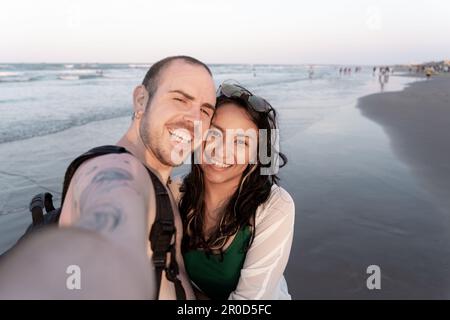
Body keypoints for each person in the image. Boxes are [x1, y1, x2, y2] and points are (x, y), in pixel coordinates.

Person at [0, 56, 217, 299]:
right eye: (180, 99)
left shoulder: (165, 186)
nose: (195, 120)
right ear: (141, 100)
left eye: (205, 110)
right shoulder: (117, 171)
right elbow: (113, 212)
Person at [174, 83, 295, 300]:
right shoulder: (176, 193)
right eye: (214, 134)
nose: (220, 150)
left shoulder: (274, 206)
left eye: (240, 141)